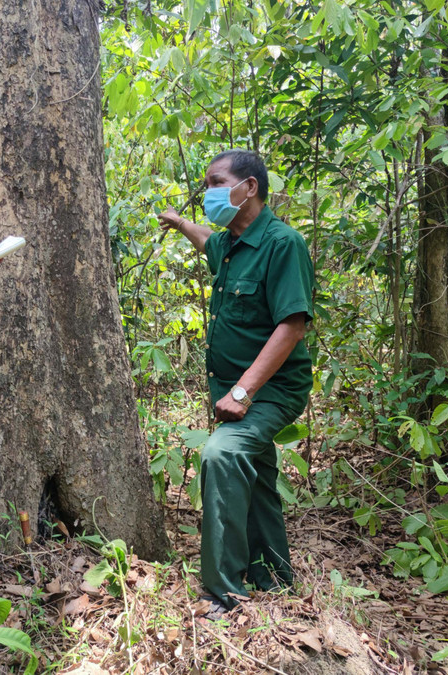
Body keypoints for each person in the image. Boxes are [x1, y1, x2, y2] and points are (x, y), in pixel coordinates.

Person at [158, 150, 314, 618]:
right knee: (257, 473)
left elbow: (292, 326)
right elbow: (207, 241)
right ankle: (274, 573)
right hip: (232, 390)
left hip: (270, 391)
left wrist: (243, 392)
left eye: (215, 183)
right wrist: (180, 223)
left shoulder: (284, 244)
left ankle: (223, 592)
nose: (208, 193)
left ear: (249, 187)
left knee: (222, 455)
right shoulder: (229, 243)